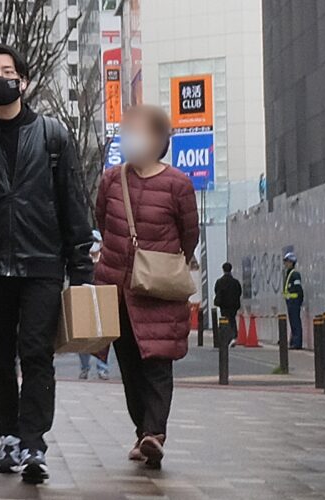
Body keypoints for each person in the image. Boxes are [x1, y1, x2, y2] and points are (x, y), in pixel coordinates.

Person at [0, 44, 93, 484]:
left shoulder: (53, 136)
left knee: (37, 353)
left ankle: (34, 442)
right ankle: (8, 434)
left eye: (8, 70)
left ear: (24, 81)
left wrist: (81, 269)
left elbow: (74, 205)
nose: (0, 77)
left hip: (43, 264)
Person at [94, 105, 199, 470]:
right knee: (130, 367)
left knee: (157, 365)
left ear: (161, 140)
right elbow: (102, 220)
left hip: (158, 290)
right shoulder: (111, 180)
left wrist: (164, 266)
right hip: (117, 290)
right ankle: (144, 433)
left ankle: (155, 433)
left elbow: (190, 235)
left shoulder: (178, 185)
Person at [79, 230, 110, 380]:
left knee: (102, 339)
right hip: (85, 303)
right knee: (83, 338)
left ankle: (102, 368)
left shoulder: (106, 260)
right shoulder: (82, 261)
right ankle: (84, 368)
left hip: (102, 302)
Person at [214, 262, 242, 347]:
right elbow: (239, 292)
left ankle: (226, 337)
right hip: (234, 305)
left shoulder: (220, 282)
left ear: (223, 270)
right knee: (232, 319)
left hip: (224, 305)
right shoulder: (235, 282)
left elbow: (217, 291)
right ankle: (233, 336)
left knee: (225, 320)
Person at [283, 252, 304, 349]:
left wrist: (297, 300)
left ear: (292, 262)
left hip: (294, 301)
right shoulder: (289, 273)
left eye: (287, 262)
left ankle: (297, 342)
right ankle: (293, 341)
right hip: (291, 301)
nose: (285, 264)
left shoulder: (294, 274)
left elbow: (298, 288)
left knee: (295, 322)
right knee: (293, 322)